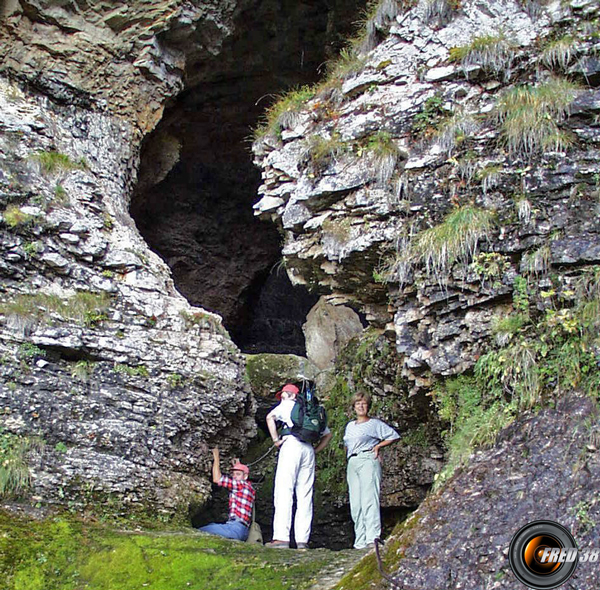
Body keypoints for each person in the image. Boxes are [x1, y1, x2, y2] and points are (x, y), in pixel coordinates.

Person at [265, 383, 332, 549]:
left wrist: (275, 441)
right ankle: (302, 540)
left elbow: (269, 418)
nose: (281, 397)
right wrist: (315, 450)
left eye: (283, 394)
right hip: (308, 449)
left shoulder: (286, 405)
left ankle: (281, 538)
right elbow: (328, 434)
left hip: (291, 446)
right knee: (305, 495)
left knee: (284, 490)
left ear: (291, 395)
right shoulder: (311, 409)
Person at [343, 392, 400, 550]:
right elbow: (347, 445)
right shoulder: (349, 426)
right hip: (352, 462)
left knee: (369, 499)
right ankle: (359, 541)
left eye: (364, 403)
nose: (361, 406)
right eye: (358, 403)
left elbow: (393, 436)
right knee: (356, 503)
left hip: (368, 459)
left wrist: (378, 447)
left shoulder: (375, 424)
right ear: (353, 407)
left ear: (368, 406)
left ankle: (372, 537)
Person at [198, 447, 255, 541]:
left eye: (238, 474)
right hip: (242, 530)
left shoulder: (241, 485)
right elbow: (239, 475)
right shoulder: (249, 488)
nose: (234, 477)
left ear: (245, 476)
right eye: (233, 474)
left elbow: (217, 479)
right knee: (212, 526)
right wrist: (238, 465)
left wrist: (216, 457)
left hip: (235, 528)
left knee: (200, 530)